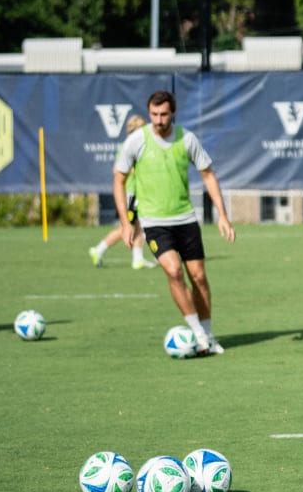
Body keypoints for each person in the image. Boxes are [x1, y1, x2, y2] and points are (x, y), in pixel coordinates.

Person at [114, 90, 236, 356]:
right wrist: (126, 222)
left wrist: (223, 216)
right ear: (149, 114)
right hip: (154, 222)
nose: (158, 120)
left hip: (186, 219)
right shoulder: (137, 141)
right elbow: (119, 180)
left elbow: (208, 175)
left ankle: (208, 333)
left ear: (173, 113)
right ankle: (199, 334)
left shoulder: (187, 138)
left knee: (199, 277)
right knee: (173, 270)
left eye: (164, 114)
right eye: (154, 115)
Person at [90, 115, 156, 270]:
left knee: (140, 226)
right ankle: (98, 250)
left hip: (138, 194)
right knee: (126, 228)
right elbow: (117, 170)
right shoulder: (128, 146)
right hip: (130, 194)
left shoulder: (141, 147)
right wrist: (136, 170)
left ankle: (138, 259)